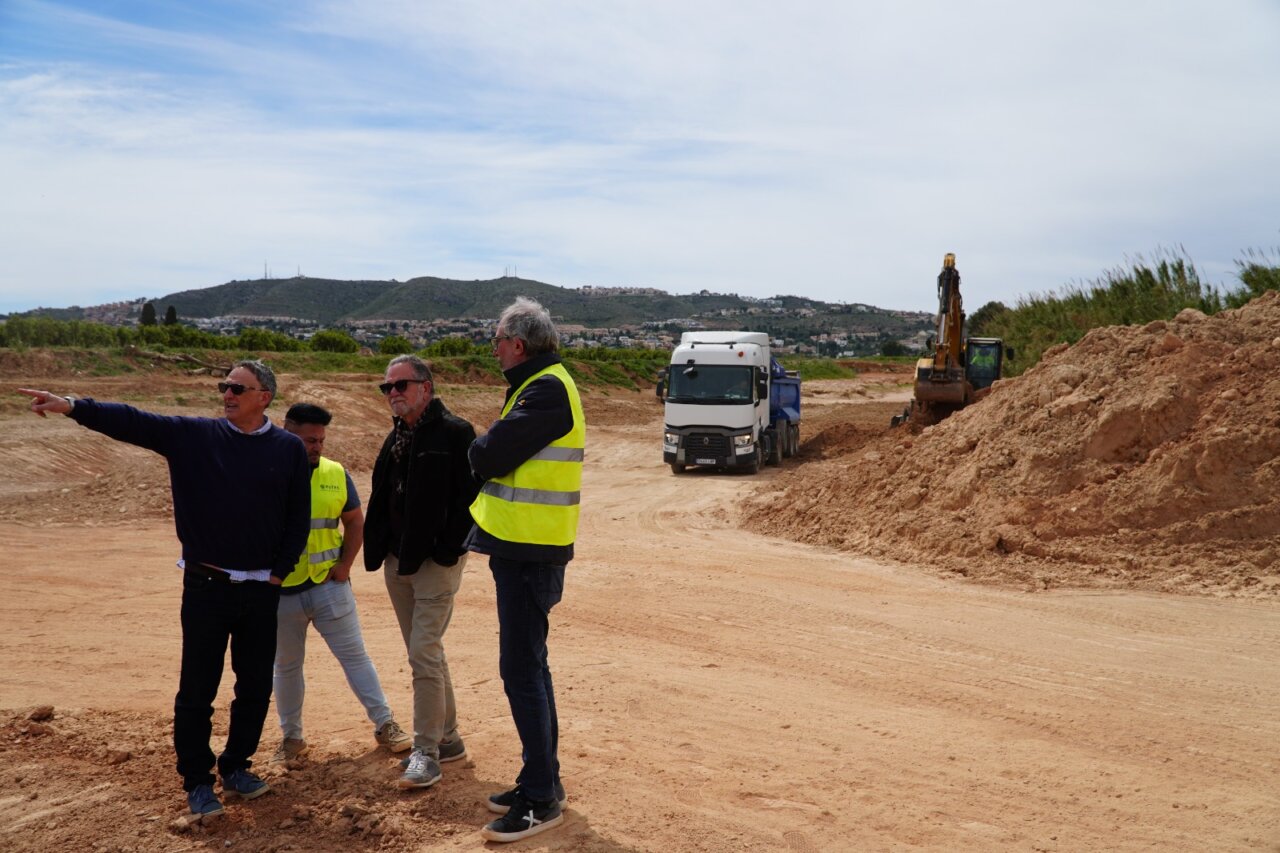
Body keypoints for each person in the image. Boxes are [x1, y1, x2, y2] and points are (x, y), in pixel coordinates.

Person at [18, 360, 311, 822]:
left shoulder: (288, 447)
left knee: (254, 687)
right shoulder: (195, 436)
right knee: (197, 689)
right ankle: (197, 782)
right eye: (225, 386)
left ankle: (237, 767)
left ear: (264, 397)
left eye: (238, 388)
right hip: (206, 586)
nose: (227, 393)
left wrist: (279, 574)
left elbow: (298, 515)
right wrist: (73, 406)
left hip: (261, 589)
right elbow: (134, 421)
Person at [466, 297, 585, 843]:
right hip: (525, 547)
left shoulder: (546, 389)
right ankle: (543, 780)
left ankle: (540, 799)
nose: (493, 350)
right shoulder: (539, 384)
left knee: (521, 671)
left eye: (496, 341)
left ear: (517, 343)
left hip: (530, 550)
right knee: (530, 668)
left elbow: (488, 455)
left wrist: (481, 443)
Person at [271, 402, 413, 763]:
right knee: (286, 666)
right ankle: (291, 738)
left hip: (328, 587)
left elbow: (354, 522)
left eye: (320, 440)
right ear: (286, 433)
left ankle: (385, 724)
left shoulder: (335, 473)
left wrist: (345, 566)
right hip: (281, 593)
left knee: (355, 658)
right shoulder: (263, 472)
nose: (317, 447)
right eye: (309, 440)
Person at [363, 354, 479, 790]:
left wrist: (448, 551)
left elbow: (472, 500)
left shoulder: (455, 432)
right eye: (387, 387)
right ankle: (448, 738)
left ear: (426, 388)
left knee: (422, 653)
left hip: (435, 565)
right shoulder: (397, 436)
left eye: (401, 385)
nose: (392, 393)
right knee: (426, 652)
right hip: (399, 562)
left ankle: (426, 752)